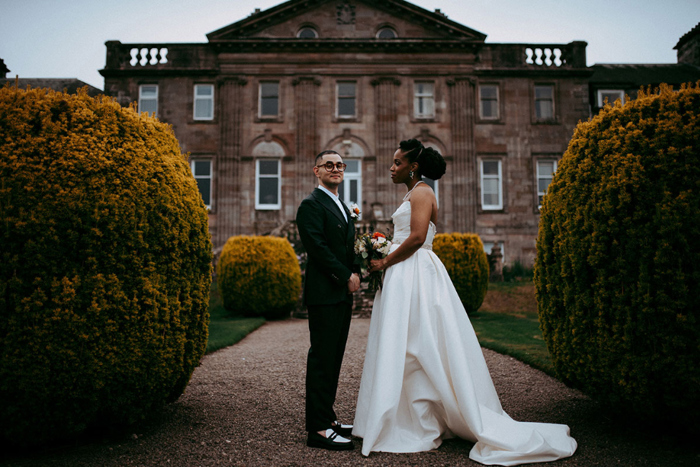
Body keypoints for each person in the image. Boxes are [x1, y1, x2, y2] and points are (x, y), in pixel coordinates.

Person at [352, 139, 577, 465]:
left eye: (397, 163)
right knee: (408, 344)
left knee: (417, 342)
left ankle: (415, 417)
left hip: (413, 272)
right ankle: (413, 413)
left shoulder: (421, 192)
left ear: (413, 167)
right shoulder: (415, 193)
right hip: (408, 272)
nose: (391, 167)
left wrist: (384, 261)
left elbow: (417, 238)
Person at [296, 150, 361, 451]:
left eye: (339, 165)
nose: (335, 169)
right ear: (316, 171)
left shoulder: (342, 205)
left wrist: (359, 269)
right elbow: (318, 249)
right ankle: (317, 429)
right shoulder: (311, 205)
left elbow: (348, 246)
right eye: (329, 165)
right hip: (325, 293)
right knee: (322, 360)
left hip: (339, 295)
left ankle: (329, 417)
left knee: (334, 359)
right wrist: (345, 276)